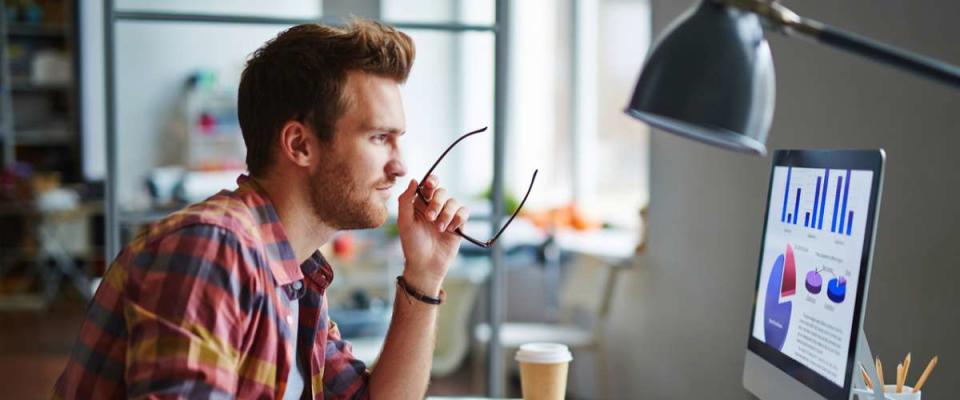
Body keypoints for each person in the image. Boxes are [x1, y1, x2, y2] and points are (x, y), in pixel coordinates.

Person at [55, 19, 470, 399]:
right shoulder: (211, 249)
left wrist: (425, 274)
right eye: (380, 137)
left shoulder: (298, 274)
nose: (400, 166)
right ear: (299, 144)